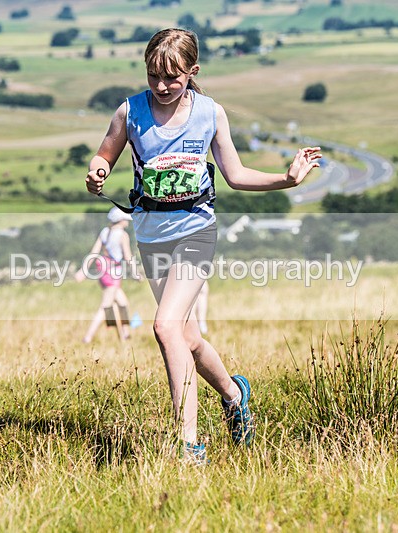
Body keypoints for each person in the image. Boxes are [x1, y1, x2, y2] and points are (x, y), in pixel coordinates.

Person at [84, 28, 321, 462]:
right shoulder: (129, 112)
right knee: (187, 337)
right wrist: (98, 170)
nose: (160, 85)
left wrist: (285, 180)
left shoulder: (210, 113)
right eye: (154, 75)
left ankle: (188, 445)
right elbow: (105, 153)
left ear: (192, 73)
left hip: (196, 231)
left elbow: (236, 175)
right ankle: (234, 394)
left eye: (171, 77)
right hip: (151, 235)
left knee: (164, 327)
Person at [74, 206, 139, 344]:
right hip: (113, 273)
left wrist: (83, 271)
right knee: (106, 307)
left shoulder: (105, 231)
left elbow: (94, 253)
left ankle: (124, 335)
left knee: (122, 303)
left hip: (102, 270)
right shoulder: (123, 235)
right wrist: (135, 273)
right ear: (121, 220)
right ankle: (88, 337)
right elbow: (128, 257)